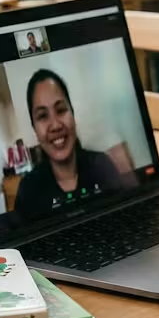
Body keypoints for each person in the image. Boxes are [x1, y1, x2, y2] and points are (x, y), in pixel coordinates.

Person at [13, 69, 130, 221]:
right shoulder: (28, 190)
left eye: (61, 110)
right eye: (42, 116)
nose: (55, 125)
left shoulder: (102, 166)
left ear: (72, 114)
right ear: (34, 129)